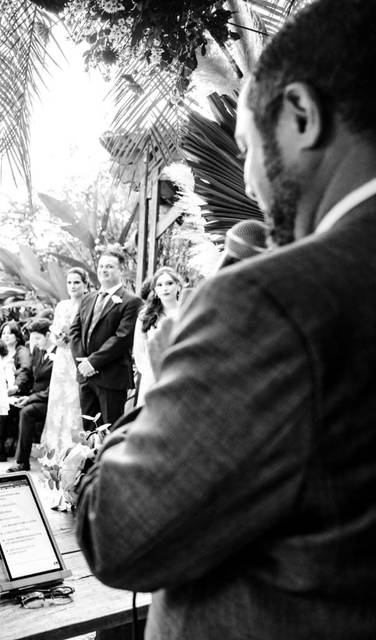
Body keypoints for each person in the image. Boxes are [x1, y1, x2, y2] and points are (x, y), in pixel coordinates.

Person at [76, 1, 376, 637]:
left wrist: (162, 383)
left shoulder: (270, 304)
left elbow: (117, 534)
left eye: (246, 146)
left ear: (300, 114)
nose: (245, 178)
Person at [68, 248, 141, 429]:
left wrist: (93, 363)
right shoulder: (88, 299)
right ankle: (92, 459)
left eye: (109, 266)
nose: (103, 270)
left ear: (121, 270)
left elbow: (122, 338)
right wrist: (82, 363)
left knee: (111, 430)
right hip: (85, 377)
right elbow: (74, 331)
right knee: (89, 432)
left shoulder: (132, 301)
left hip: (111, 377)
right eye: (101, 266)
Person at [40, 267, 88, 454]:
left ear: (85, 284)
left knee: (74, 400)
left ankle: (75, 448)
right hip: (61, 358)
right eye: (69, 282)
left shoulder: (88, 304)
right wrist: (57, 338)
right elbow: (54, 332)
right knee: (58, 401)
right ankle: (55, 449)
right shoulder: (62, 306)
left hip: (78, 358)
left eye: (77, 282)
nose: (73, 286)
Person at [6, 318, 53, 473]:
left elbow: (54, 388)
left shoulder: (60, 354)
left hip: (51, 399)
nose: (34, 343)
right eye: (32, 339)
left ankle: (22, 462)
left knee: (27, 412)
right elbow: (34, 379)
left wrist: (30, 399)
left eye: (38, 338)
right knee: (12, 406)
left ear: (48, 335)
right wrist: (24, 396)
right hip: (37, 396)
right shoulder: (39, 351)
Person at [131, 267, 184, 405]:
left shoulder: (186, 311)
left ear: (178, 286)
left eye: (169, 283)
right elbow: (139, 352)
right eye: (159, 285)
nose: (165, 288)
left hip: (180, 374)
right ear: (155, 291)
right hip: (152, 375)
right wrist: (151, 372)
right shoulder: (145, 316)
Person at [0, 321, 30, 462]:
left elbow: (25, 371)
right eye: (3, 333)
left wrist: (16, 387)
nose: (6, 336)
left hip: (18, 392)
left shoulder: (21, 351)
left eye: (10, 333)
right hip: (2, 391)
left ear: (17, 335)